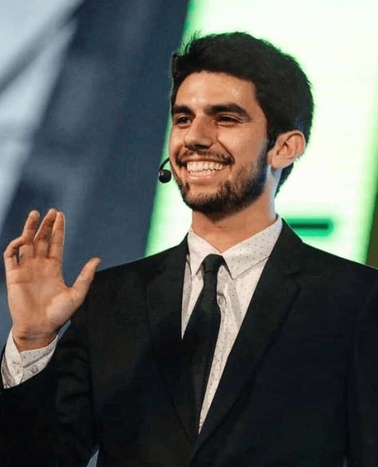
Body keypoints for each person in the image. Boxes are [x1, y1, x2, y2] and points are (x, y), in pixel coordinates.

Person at [1, 32, 378, 467]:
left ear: (284, 147)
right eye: (183, 118)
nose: (195, 137)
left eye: (226, 118)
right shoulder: (111, 299)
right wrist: (31, 342)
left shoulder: (356, 302)